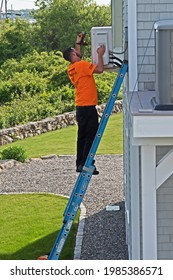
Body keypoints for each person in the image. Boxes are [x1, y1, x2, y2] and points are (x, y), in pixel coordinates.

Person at [63, 34, 105, 175]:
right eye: (76, 52)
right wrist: (100, 54)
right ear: (73, 55)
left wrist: (78, 43)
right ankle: (87, 163)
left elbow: (77, 54)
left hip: (81, 106)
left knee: (82, 136)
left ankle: (80, 164)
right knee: (91, 135)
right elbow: (99, 69)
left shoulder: (72, 68)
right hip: (87, 106)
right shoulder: (81, 65)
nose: (78, 52)